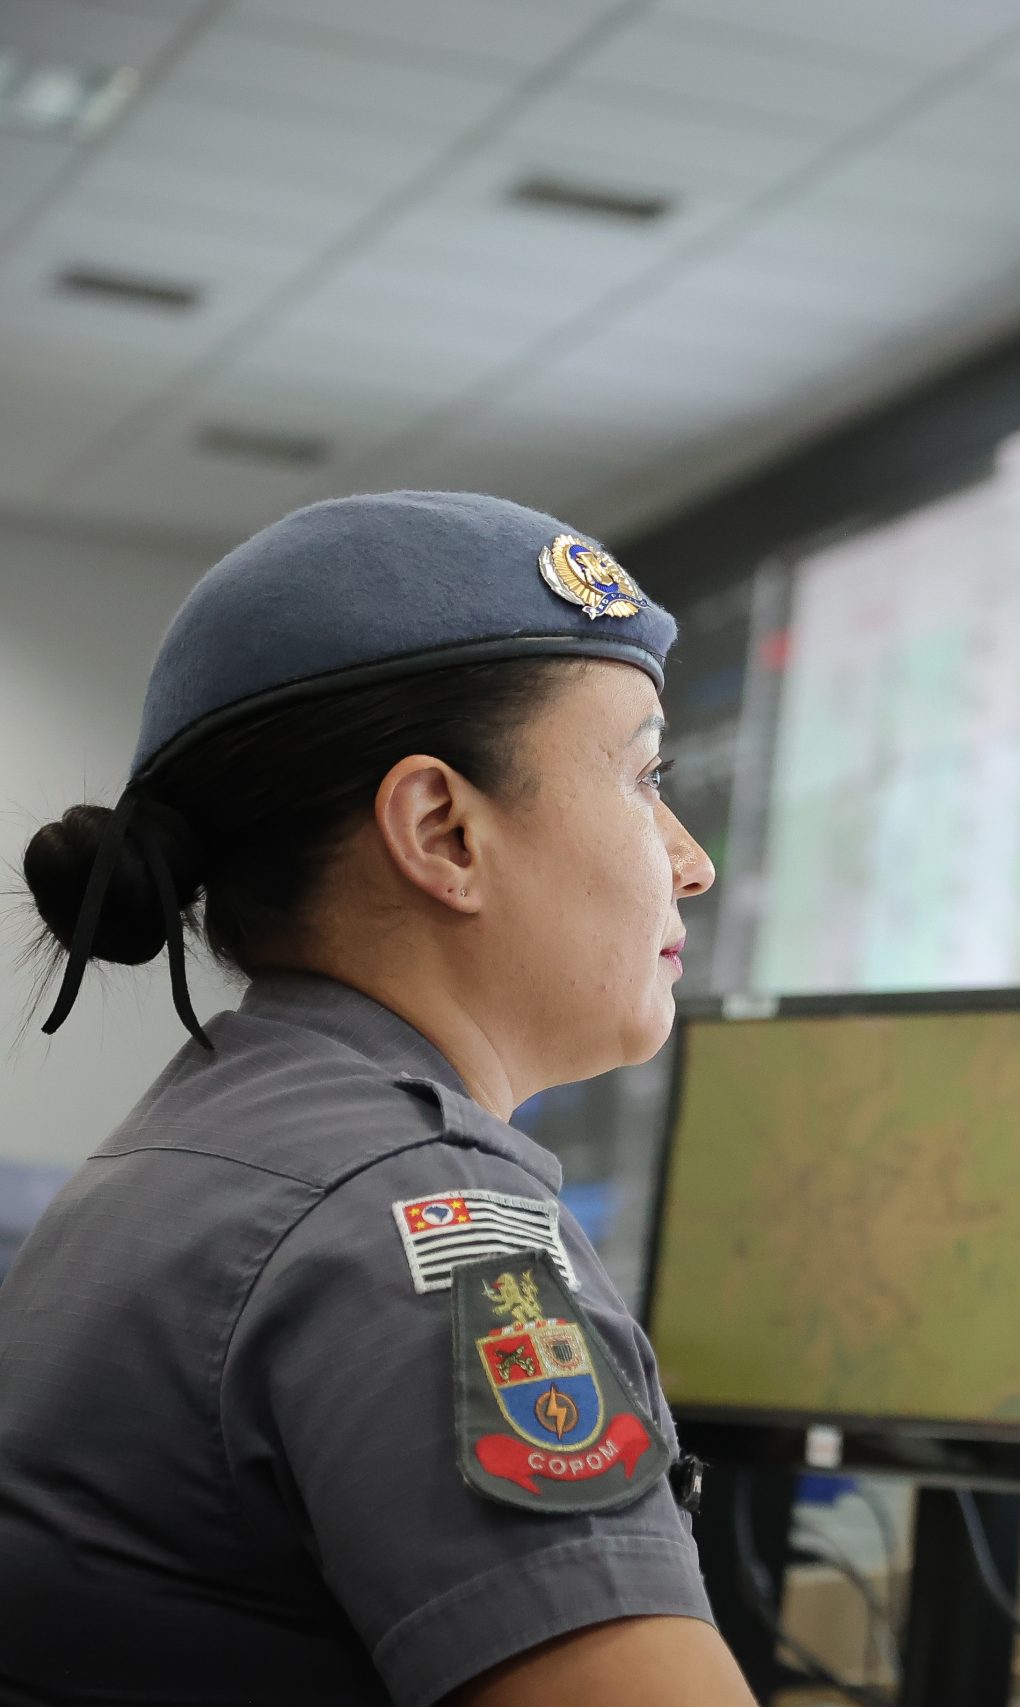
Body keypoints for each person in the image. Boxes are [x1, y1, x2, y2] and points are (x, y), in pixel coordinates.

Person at [0, 493, 757, 1706]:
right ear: (442, 832)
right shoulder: (421, 1226)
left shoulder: (186, 1154)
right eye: (643, 775)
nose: (691, 860)